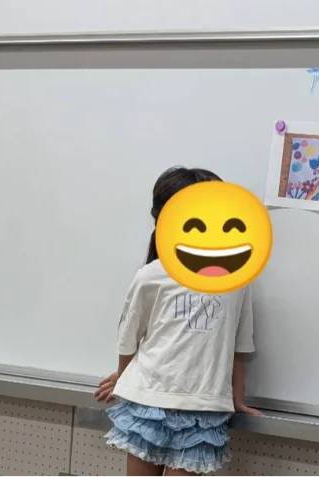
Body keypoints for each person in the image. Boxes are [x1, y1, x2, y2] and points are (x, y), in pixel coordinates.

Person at [93, 166, 262, 477]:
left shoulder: (238, 277)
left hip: (202, 409)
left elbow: (240, 344)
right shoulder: (151, 275)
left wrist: (237, 397)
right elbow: (128, 338)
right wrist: (123, 376)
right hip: (147, 401)